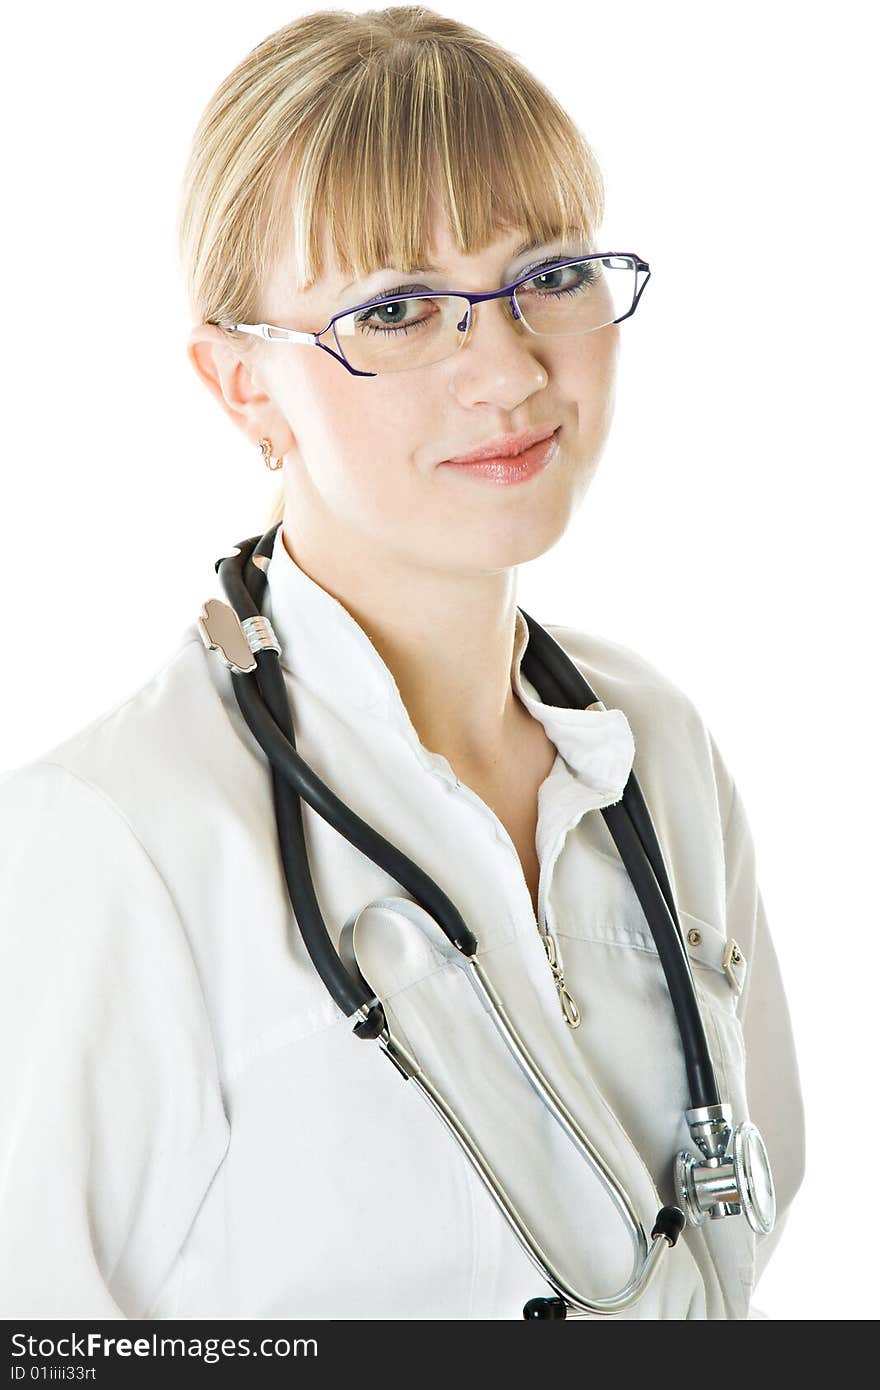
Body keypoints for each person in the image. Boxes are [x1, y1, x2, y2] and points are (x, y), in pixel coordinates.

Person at [0, 5, 804, 1320]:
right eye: (398, 308)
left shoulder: (659, 752)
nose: (506, 367)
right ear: (241, 387)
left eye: (549, 274)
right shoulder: (111, 839)